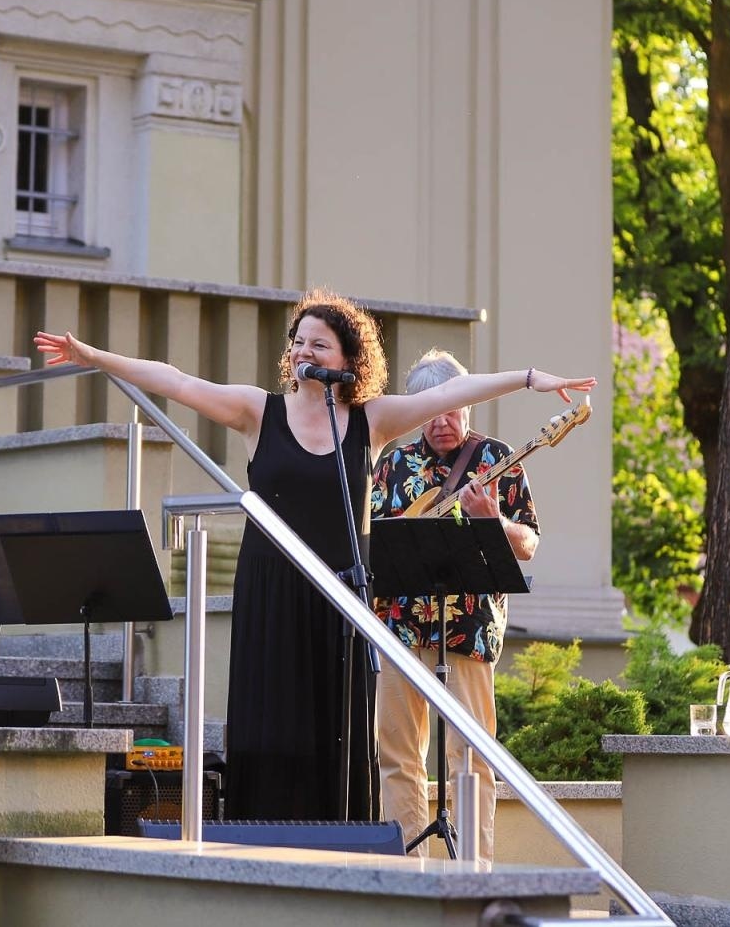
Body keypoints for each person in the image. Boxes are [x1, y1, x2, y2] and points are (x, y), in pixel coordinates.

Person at [35, 291, 593, 821]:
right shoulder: (259, 411)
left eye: (319, 344)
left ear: (349, 358)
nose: (304, 351)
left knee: (338, 730)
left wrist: (528, 379)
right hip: (272, 587)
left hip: (342, 596)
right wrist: (93, 356)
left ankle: (341, 851)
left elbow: (452, 396)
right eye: (298, 342)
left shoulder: (370, 421)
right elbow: (178, 381)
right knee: (273, 724)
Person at [371, 349, 541, 865]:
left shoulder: (497, 459)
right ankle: (404, 875)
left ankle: (473, 875)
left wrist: (494, 522)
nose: (442, 421)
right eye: (431, 410)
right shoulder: (392, 464)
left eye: (452, 409)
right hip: (398, 625)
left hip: (468, 628)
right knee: (398, 754)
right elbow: (370, 540)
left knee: (469, 756)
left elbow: (529, 542)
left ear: (467, 405)